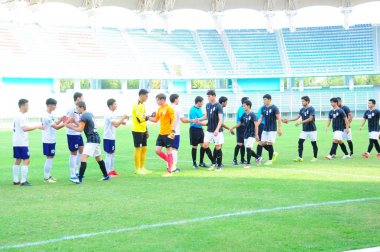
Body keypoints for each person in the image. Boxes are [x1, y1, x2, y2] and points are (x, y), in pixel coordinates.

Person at [65, 101, 109, 183]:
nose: (76, 109)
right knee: (99, 158)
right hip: (96, 138)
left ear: (82, 108)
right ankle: (106, 175)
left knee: (83, 158)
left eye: (77, 108)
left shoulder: (83, 116)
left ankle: (79, 179)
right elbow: (83, 125)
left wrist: (72, 127)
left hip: (92, 140)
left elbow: (80, 129)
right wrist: (74, 123)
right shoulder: (89, 114)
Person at [12, 99, 45, 186]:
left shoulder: (17, 115)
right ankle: (23, 181)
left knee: (18, 160)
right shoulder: (21, 116)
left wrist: (37, 125)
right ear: (23, 106)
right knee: (26, 160)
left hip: (16, 141)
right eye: (27, 105)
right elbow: (25, 128)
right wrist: (37, 126)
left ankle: (15, 180)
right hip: (22, 142)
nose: (28, 107)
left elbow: (25, 126)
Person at [148, 93, 177, 177]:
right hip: (161, 133)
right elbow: (156, 120)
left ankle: (169, 172)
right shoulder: (159, 109)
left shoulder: (169, 108)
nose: (156, 101)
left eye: (157, 100)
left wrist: (173, 131)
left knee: (169, 151)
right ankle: (171, 164)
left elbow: (174, 120)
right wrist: (147, 118)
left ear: (162, 100)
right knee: (157, 150)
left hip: (168, 133)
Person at [282, 96, 318, 162]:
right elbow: (297, 117)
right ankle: (300, 157)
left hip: (312, 130)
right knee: (300, 142)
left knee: (313, 143)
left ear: (307, 101)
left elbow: (311, 118)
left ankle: (315, 157)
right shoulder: (302, 109)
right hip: (304, 130)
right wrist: (288, 120)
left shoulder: (311, 109)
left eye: (303, 101)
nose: (302, 102)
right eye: (301, 101)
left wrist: (300, 122)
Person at [197, 90, 224, 171]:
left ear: (214, 96)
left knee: (218, 147)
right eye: (207, 96)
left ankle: (219, 166)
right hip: (209, 130)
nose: (208, 97)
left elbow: (220, 120)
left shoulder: (219, 106)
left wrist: (217, 129)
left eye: (209, 96)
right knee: (205, 145)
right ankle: (213, 162)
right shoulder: (208, 105)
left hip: (217, 131)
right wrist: (199, 119)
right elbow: (206, 117)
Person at [230, 100, 260, 168]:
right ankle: (258, 157)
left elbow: (256, 125)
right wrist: (232, 128)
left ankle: (248, 164)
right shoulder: (244, 114)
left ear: (248, 106)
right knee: (248, 149)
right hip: (245, 134)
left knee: (248, 148)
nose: (243, 107)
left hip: (252, 134)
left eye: (244, 106)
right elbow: (239, 124)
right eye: (243, 106)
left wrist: (256, 134)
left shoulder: (253, 115)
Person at [41, 98, 65, 183]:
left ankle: (48, 176)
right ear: (49, 105)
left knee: (51, 157)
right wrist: (66, 123)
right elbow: (56, 127)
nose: (55, 107)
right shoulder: (46, 116)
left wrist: (61, 120)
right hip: (48, 140)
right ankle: (46, 177)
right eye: (54, 105)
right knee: (49, 157)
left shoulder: (51, 115)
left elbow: (56, 123)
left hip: (51, 139)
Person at [169, 94, 194, 172]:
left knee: (168, 149)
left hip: (167, 131)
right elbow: (183, 120)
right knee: (174, 149)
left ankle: (169, 166)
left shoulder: (168, 108)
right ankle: (173, 167)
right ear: (175, 99)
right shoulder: (177, 108)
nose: (179, 100)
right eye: (178, 99)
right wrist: (192, 120)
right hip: (175, 131)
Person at [103, 98, 128, 176]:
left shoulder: (112, 114)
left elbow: (116, 123)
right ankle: (108, 172)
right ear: (110, 106)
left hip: (112, 137)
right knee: (109, 153)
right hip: (108, 137)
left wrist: (122, 122)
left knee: (112, 153)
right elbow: (116, 124)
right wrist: (123, 118)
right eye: (114, 104)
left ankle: (112, 170)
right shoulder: (109, 114)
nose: (116, 105)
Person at [257, 94, 282, 165]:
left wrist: (279, 129)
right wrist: (256, 125)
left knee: (269, 143)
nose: (263, 101)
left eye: (265, 99)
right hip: (265, 129)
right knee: (261, 143)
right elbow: (261, 118)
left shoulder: (274, 108)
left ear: (269, 100)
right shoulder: (263, 108)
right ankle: (258, 158)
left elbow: (279, 119)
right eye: (263, 99)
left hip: (272, 129)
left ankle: (270, 160)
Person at [131, 89, 152, 175]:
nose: (147, 97)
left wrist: (146, 130)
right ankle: (137, 169)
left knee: (144, 148)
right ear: (141, 95)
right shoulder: (136, 105)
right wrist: (150, 116)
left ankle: (142, 167)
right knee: (138, 149)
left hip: (143, 130)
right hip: (137, 130)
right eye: (146, 96)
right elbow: (140, 119)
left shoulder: (143, 104)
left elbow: (144, 118)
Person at [66, 92, 84, 183]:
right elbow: (66, 123)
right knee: (73, 153)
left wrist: (78, 127)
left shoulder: (80, 109)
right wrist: (75, 128)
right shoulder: (71, 110)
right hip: (72, 135)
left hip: (78, 134)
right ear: (77, 99)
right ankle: (72, 175)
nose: (83, 99)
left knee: (81, 151)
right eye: (82, 98)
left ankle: (77, 171)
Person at [188, 96, 208, 169]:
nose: (203, 103)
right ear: (199, 102)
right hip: (194, 129)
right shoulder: (192, 110)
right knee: (195, 146)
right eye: (202, 102)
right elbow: (196, 122)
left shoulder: (200, 109)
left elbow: (202, 119)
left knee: (203, 145)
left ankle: (201, 162)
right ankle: (194, 163)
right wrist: (206, 124)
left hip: (200, 129)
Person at [233, 97, 249, 165]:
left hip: (244, 128)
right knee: (239, 144)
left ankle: (242, 159)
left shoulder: (244, 109)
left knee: (243, 144)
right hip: (240, 128)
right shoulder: (241, 109)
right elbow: (242, 120)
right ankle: (234, 159)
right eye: (248, 100)